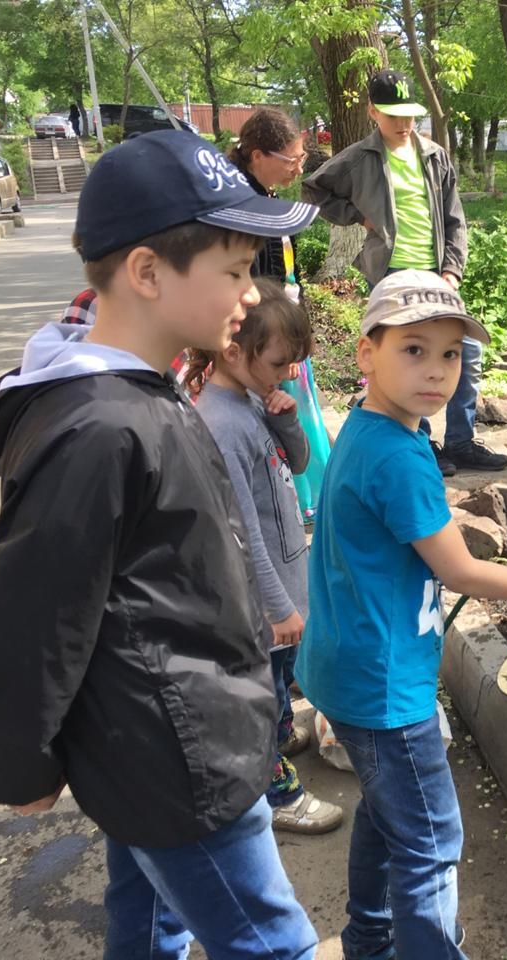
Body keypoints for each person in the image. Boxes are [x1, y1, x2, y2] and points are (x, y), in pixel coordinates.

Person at [0, 129, 322, 959]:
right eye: (234, 271)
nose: (248, 295)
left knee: (153, 917)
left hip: (155, 741)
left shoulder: (137, 394)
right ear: (149, 272)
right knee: (273, 943)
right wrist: (17, 763)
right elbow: (29, 616)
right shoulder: (103, 427)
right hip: (178, 755)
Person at [296, 270, 507, 959]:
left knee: (388, 814)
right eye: (413, 350)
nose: (436, 370)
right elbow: (461, 570)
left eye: (450, 354)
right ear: (366, 352)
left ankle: (371, 939)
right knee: (431, 840)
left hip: (349, 665)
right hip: (384, 686)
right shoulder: (398, 457)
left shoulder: (371, 427)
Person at [188, 278, 345, 836]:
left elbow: (298, 465)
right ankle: (277, 793)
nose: (287, 374)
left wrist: (285, 417)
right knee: (260, 696)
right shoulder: (222, 424)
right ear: (234, 351)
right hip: (260, 599)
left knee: (278, 684)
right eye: (279, 363)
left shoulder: (254, 401)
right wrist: (278, 607)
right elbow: (241, 532)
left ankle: (279, 734)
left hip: (281, 582)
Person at [302, 69, 507, 477]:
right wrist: (358, 216)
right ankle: (422, 443)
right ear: (373, 112)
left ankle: (462, 441)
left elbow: (455, 219)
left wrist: (452, 270)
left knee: (467, 351)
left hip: (437, 273)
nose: (403, 123)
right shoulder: (359, 158)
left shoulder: (434, 156)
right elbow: (314, 189)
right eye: (393, 115)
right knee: (412, 357)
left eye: (409, 114)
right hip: (392, 273)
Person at [227, 107, 332, 523]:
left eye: (301, 158)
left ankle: (311, 497)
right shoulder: (241, 206)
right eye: (292, 159)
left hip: (283, 327)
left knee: (298, 410)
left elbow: (287, 273)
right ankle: (297, 499)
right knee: (282, 411)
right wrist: (276, 342)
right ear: (258, 156)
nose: (298, 168)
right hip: (264, 335)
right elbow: (257, 285)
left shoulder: (266, 197)